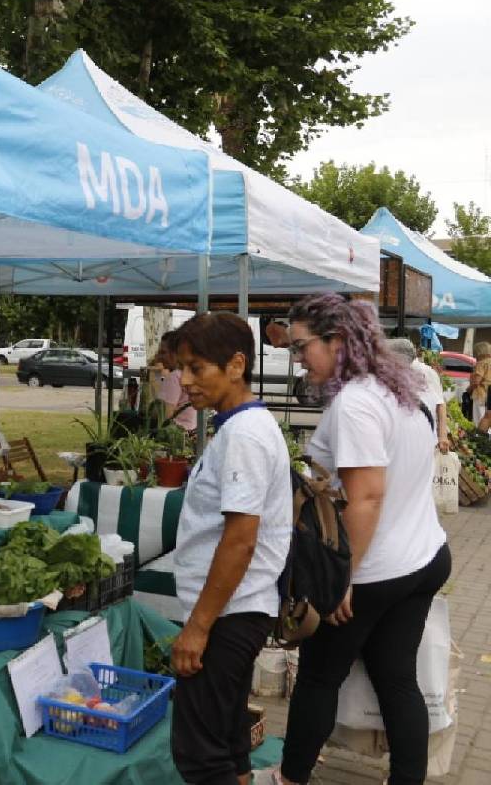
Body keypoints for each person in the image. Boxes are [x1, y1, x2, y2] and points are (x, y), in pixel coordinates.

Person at [261, 294, 451, 785]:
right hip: (423, 558)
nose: (298, 357)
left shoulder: (357, 403)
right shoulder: (396, 389)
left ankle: (291, 777)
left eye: (303, 346)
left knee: (320, 678)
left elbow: (366, 498)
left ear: (338, 341)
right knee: (396, 680)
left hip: (375, 571)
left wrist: (342, 580)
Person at [167, 313, 292, 785]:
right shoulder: (238, 427)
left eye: (196, 368)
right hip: (233, 611)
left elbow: (240, 540)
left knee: (201, 755)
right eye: (182, 368)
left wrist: (198, 628)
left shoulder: (245, 435)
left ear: (236, 365)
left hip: (227, 615)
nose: (184, 381)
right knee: (229, 745)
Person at [386, 338, 449, 453]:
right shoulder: (401, 371)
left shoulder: (426, 372)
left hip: (423, 432)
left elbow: (440, 404)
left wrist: (442, 435)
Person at [151, 330, 196, 433]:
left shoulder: (174, 376)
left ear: (176, 354)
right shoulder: (190, 373)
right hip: (192, 432)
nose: (159, 356)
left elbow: (163, 415)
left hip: (175, 435)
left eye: (163, 352)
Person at [470, 342, 491, 428]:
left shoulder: (481, 363)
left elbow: (476, 381)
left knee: (479, 418)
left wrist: (469, 389)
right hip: (489, 393)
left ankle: (479, 438)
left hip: (480, 393)